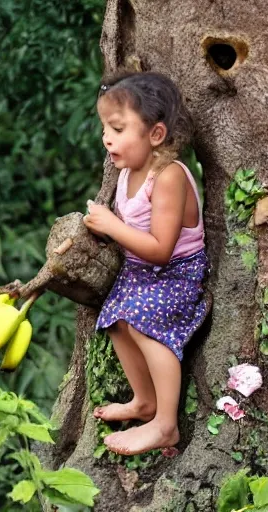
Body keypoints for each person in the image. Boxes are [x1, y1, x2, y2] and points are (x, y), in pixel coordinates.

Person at [83, 71, 210, 456]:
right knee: (117, 321)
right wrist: (104, 231)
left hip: (177, 273)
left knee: (144, 322)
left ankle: (166, 425)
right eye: (105, 127)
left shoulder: (167, 176)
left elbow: (160, 249)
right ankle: (145, 400)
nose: (107, 137)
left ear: (155, 135)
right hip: (142, 272)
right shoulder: (126, 173)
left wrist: (112, 226)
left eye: (118, 128)